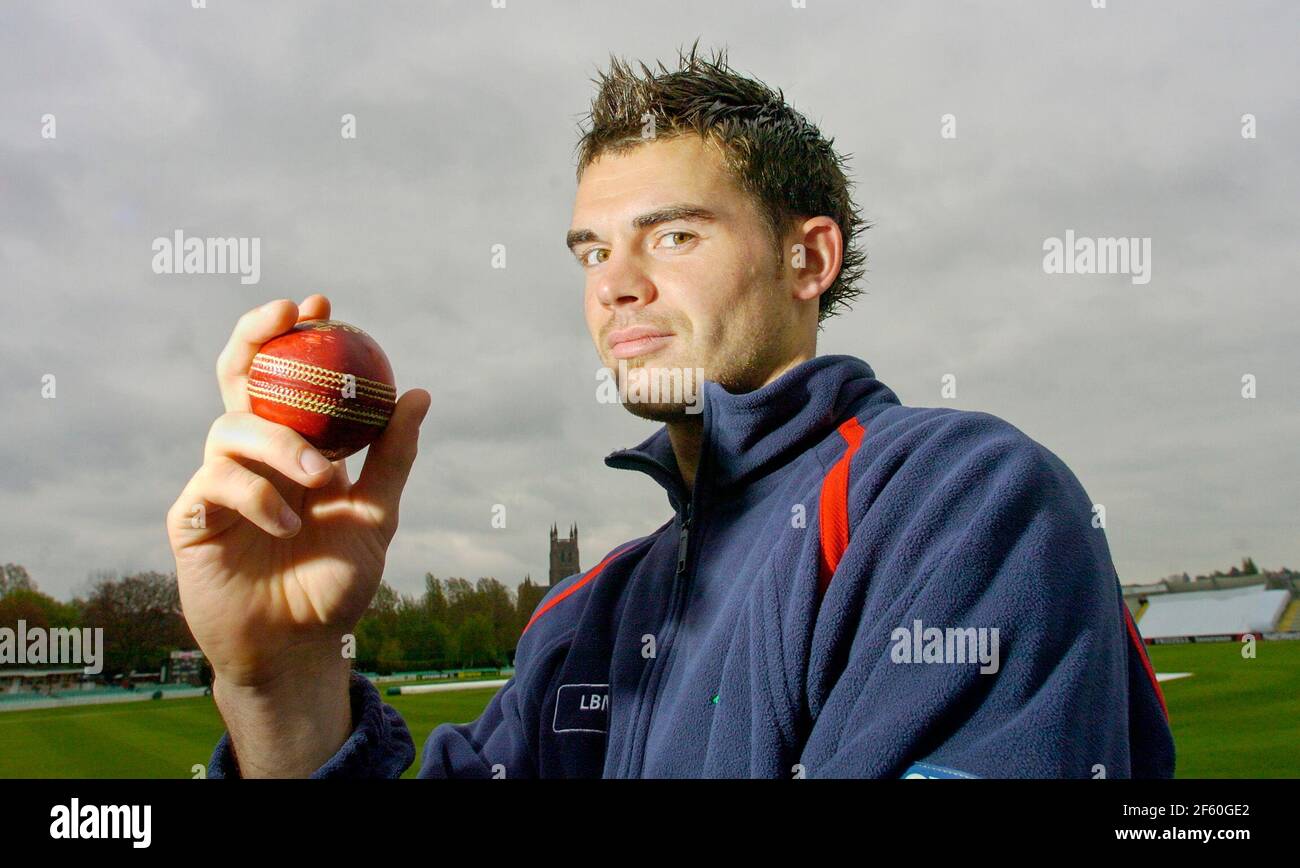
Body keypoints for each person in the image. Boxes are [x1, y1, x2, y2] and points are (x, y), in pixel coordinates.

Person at [167, 44, 1174, 779]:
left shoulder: (956, 502)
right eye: (594, 252)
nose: (616, 285)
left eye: (674, 237)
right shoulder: (578, 623)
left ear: (806, 259)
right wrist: (283, 686)